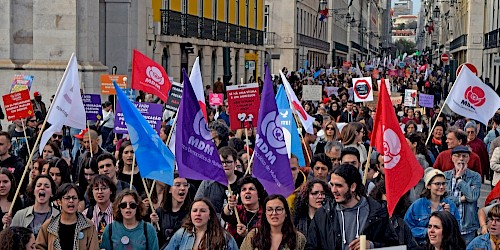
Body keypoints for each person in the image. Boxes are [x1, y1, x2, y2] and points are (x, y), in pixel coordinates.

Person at [306, 164, 399, 249]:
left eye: (339, 185)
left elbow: (393, 245)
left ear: (353, 187)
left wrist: (371, 245)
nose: (334, 190)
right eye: (332, 185)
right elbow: (311, 246)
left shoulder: (377, 212)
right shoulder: (323, 214)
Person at [404, 168, 461, 246]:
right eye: (437, 184)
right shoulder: (417, 205)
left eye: (443, 183)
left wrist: (448, 216)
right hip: (420, 246)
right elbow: (407, 229)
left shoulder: (450, 205)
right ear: (428, 186)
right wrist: (427, 232)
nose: (441, 187)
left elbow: (457, 230)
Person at [35, 183, 99, 249]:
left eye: (74, 198)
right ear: (59, 202)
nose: (71, 201)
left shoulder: (88, 226)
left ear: (78, 201)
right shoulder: (48, 226)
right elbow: (39, 247)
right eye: (67, 198)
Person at [166, 198, 238, 250]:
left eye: (203, 211)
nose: (198, 214)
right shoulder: (181, 234)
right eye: (194, 211)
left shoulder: (224, 237)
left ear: (210, 215)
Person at [444, 145, 481, 244]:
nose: (461, 159)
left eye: (464, 156)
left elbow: (472, 197)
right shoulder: (444, 176)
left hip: (467, 227)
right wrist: (461, 199)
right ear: (452, 158)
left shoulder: (475, 176)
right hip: (448, 225)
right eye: (458, 155)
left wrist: (459, 179)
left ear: (468, 159)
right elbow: (443, 199)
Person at [240, 194, 306, 250]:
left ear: (286, 213)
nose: (274, 213)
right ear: (265, 213)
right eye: (269, 210)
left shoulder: (298, 238)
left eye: (279, 209)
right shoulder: (254, 235)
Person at [194, 146, 243, 216]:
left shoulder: (244, 182)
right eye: (222, 162)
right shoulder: (208, 182)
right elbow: (196, 204)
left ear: (235, 163)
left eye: (228, 162)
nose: (225, 165)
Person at [150, 173, 192, 248]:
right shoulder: (159, 212)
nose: (182, 188)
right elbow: (154, 241)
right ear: (169, 189)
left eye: (185, 185)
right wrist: (153, 225)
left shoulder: (191, 213)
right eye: (178, 185)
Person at [222, 176, 267, 246]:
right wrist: (230, 206)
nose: (247, 192)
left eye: (251, 189)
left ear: (258, 194)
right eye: (243, 189)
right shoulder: (237, 210)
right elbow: (225, 215)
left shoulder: (266, 214)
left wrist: (248, 235)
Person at [83, 175, 117, 243]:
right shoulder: (85, 214)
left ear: (111, 191)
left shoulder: (119, 212)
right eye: (96, 189)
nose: (100, 192)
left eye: (104, 188)